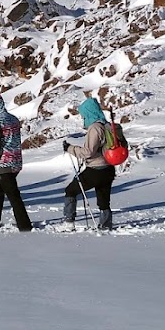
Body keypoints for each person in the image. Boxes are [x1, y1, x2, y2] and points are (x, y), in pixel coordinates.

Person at [62, 96, 116, 230]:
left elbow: (88, 152)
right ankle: (106, 225)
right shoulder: (107, 125)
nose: (82, 118)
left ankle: (69, 223)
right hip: (109, 168)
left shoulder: (95, 128)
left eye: (83, 114)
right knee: (104, 199)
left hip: (95, 169)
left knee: (71, 190)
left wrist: (70, 148)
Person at [0, 92, 33, 232]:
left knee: (13, 196)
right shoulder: (13, 119)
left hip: (5, 164)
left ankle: (25, 226)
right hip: (17, 162)